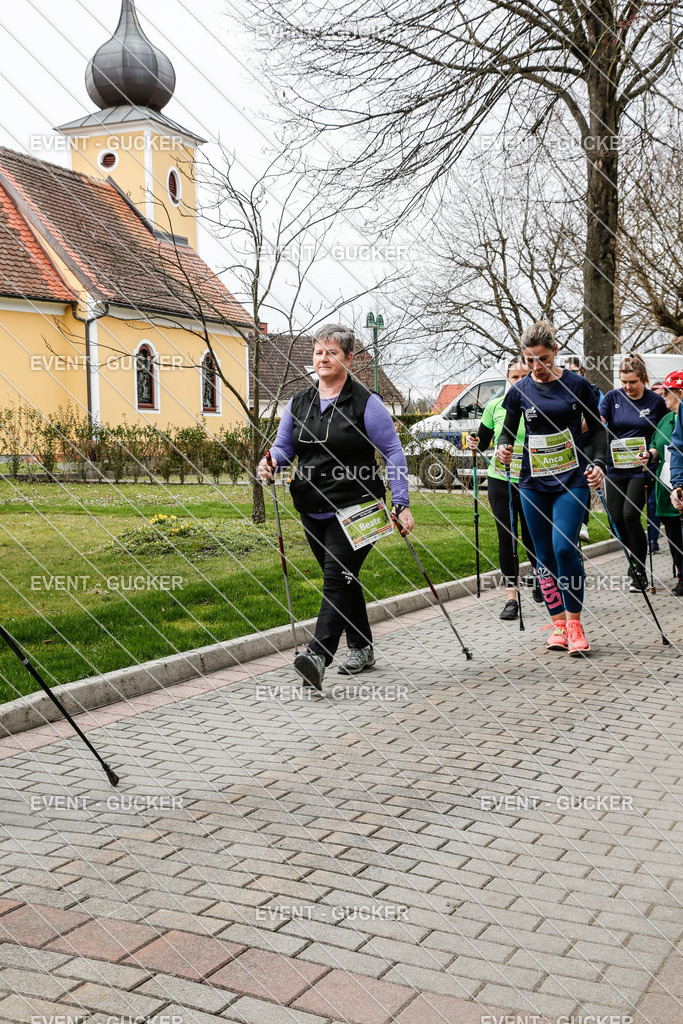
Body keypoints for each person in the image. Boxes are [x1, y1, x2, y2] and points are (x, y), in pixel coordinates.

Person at [258, 324, 414, 691]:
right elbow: (284, 447)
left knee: (335, 578)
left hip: (359, 506)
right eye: (318, 352)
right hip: (312, 507)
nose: (323, 358)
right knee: (344, 580)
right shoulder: (298, 403)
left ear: (347, 358)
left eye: (331, 352)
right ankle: (361, 646)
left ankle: (317, 655)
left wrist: (401, 502)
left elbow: (393, 452)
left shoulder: (366, 402)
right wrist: (271, 461)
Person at [496, 322, 607, 655]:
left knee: (563, 548)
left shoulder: (578, 385)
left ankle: (575, 623)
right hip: (532, 481)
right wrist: (503, 448)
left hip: (572, 479)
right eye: (530, 361)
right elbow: (505, 433)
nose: (536, 369)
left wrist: (599, 464)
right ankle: (558, 623)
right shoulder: (519, 391)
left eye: (542, 360)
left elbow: (599, 433)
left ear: (555, 352)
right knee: (542, 556)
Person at [467, 359, 542, 620]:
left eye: (525, 375)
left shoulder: (539, 404)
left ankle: (540, 575)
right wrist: (475, 442)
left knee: (533, 534)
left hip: (534, 479)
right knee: (506, 536)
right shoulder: (494, 406)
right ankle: (511, 598)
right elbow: (484, 441)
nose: (519, 381)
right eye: (514, 376)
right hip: (501, 478)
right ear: (507, 379)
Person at [599, 356, 667, 592]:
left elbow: (662, 434)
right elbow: (598, 423)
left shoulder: (656, 401)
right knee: (616, 520)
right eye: (624, 381)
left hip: (641, 468)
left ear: (643, 379)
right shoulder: (612, 398)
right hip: (615, 467)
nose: (628, 387)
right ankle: (632, 558)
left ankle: (639, 570)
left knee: (630, 515)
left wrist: (652, 452)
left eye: (632, 382)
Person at [638, 371, 683, 595]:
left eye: (667, 393)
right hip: (667, 485)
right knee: (674, 534)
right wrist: (649, 454)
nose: (663, 397)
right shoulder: (666, 420)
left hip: (680, 482)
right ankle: (681, 576)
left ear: (679, 393)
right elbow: (657, 447)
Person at [562, 355, 603, 543]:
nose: (570, 375)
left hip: (586, 442)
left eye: (574, 371)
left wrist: (574, 430)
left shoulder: (592, 391)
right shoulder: (560, 390)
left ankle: (583, 523)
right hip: (566, 443)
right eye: (567, 371)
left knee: (583, 477)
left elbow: (598, 419)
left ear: (582, 372)